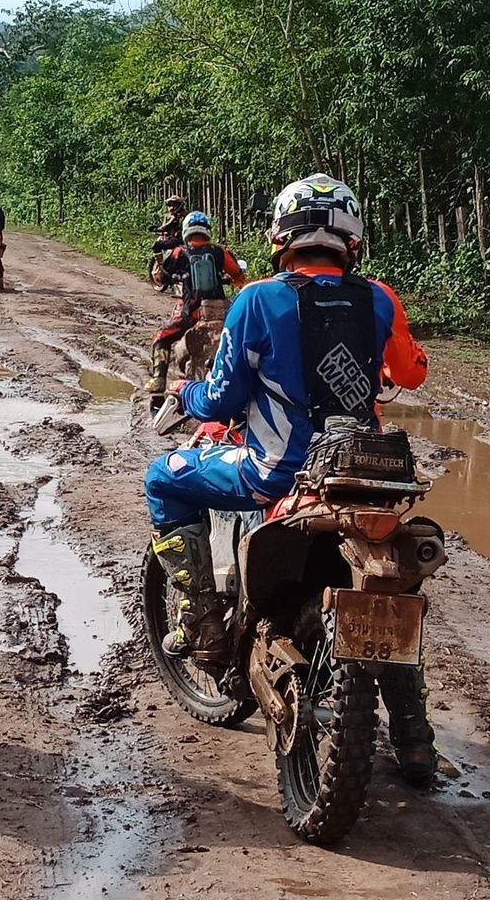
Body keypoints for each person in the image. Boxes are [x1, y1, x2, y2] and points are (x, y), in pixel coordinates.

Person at [143, 173, 434, 784]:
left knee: (162, 478)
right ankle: (413, 738)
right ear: (352, 237)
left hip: (275, 475)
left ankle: (199, 616)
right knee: (396, 587)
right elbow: (410, 372)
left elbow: (224, 400)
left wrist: (183, 390)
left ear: (282, 235)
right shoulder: (379, 299)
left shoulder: (257, 299)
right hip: (362, 477)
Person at [143, 211, 246, 409]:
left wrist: (170, 276)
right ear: (207, 230)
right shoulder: (220, 251)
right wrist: (230, 279)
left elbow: (161, 279)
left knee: (161, 337)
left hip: (192, 312)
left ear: (186, 231)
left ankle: (158, 382)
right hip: (221, 311)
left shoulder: (178, 252)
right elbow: (238, 276)